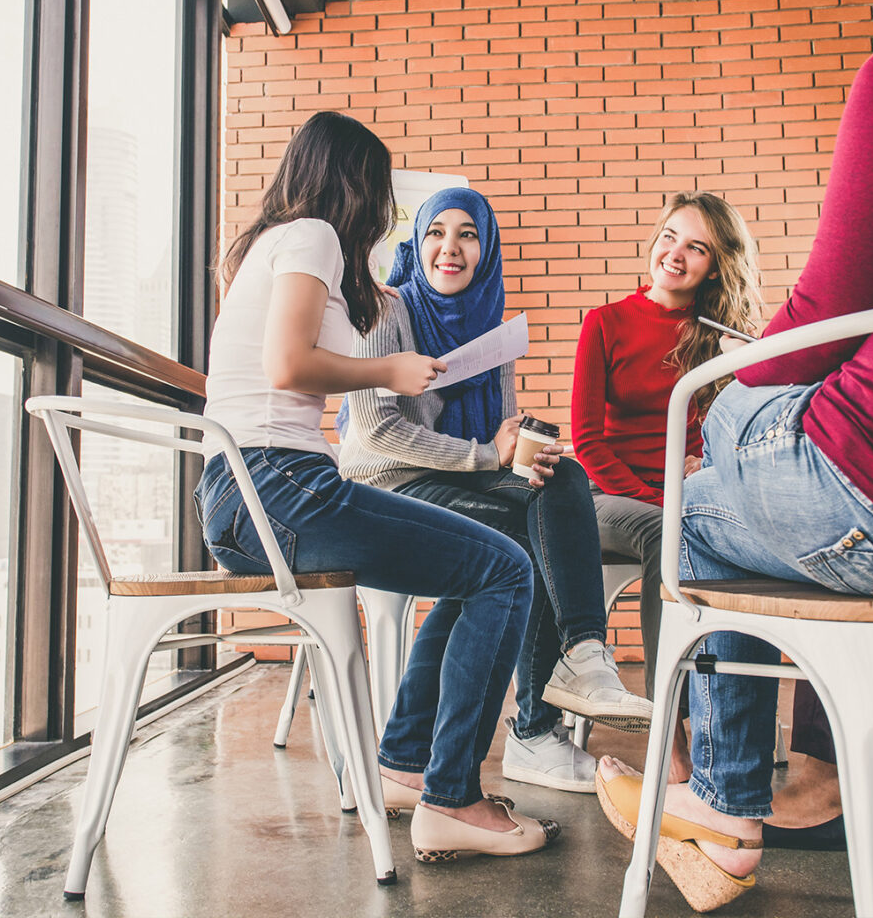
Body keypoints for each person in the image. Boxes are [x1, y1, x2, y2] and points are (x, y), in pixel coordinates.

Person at [597, 0, 873, 908]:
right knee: (733, 455)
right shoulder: (608, 320)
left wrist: (738, 386)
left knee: (703, 500)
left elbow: (831, 312)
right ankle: (863, 754)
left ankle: (721, 806)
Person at [194, 111, 559, 863]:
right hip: (279, 487)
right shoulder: (311, 235)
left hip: (245, 494)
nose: (383, 213)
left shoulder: (275, 241)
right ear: (353, 181)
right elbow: (288, 367)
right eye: (381, 192)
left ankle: (401, 765)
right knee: (509, 567)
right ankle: (453, 797)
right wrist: (386, 371)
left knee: (481, 567)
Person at [338, 186, 654, 795]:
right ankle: (537, 725)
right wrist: (486, 455)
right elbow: (375, 429)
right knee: (518, 548)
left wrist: (518, 452)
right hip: (386, 487)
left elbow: (497, 443)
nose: (449, 248)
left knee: (559, 474)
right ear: (418, 242)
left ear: (487, 249)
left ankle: (572, 664)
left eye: (468, 234)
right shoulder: (387, 309)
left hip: (453, 480)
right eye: (435, 233)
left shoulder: (492, 330)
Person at [571, 191, 760, 778]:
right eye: (669, 237)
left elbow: (733, 434)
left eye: (696, 247)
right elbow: (587, 440)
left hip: (691, 499)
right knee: (669, 533)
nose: (675, 254)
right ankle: (667, 729)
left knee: (742, 537)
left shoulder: (719, 334)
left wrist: (704, 463)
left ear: (716, 264)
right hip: (607, 498)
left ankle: (728, 726)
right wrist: (663, 500)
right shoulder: (605, 324)